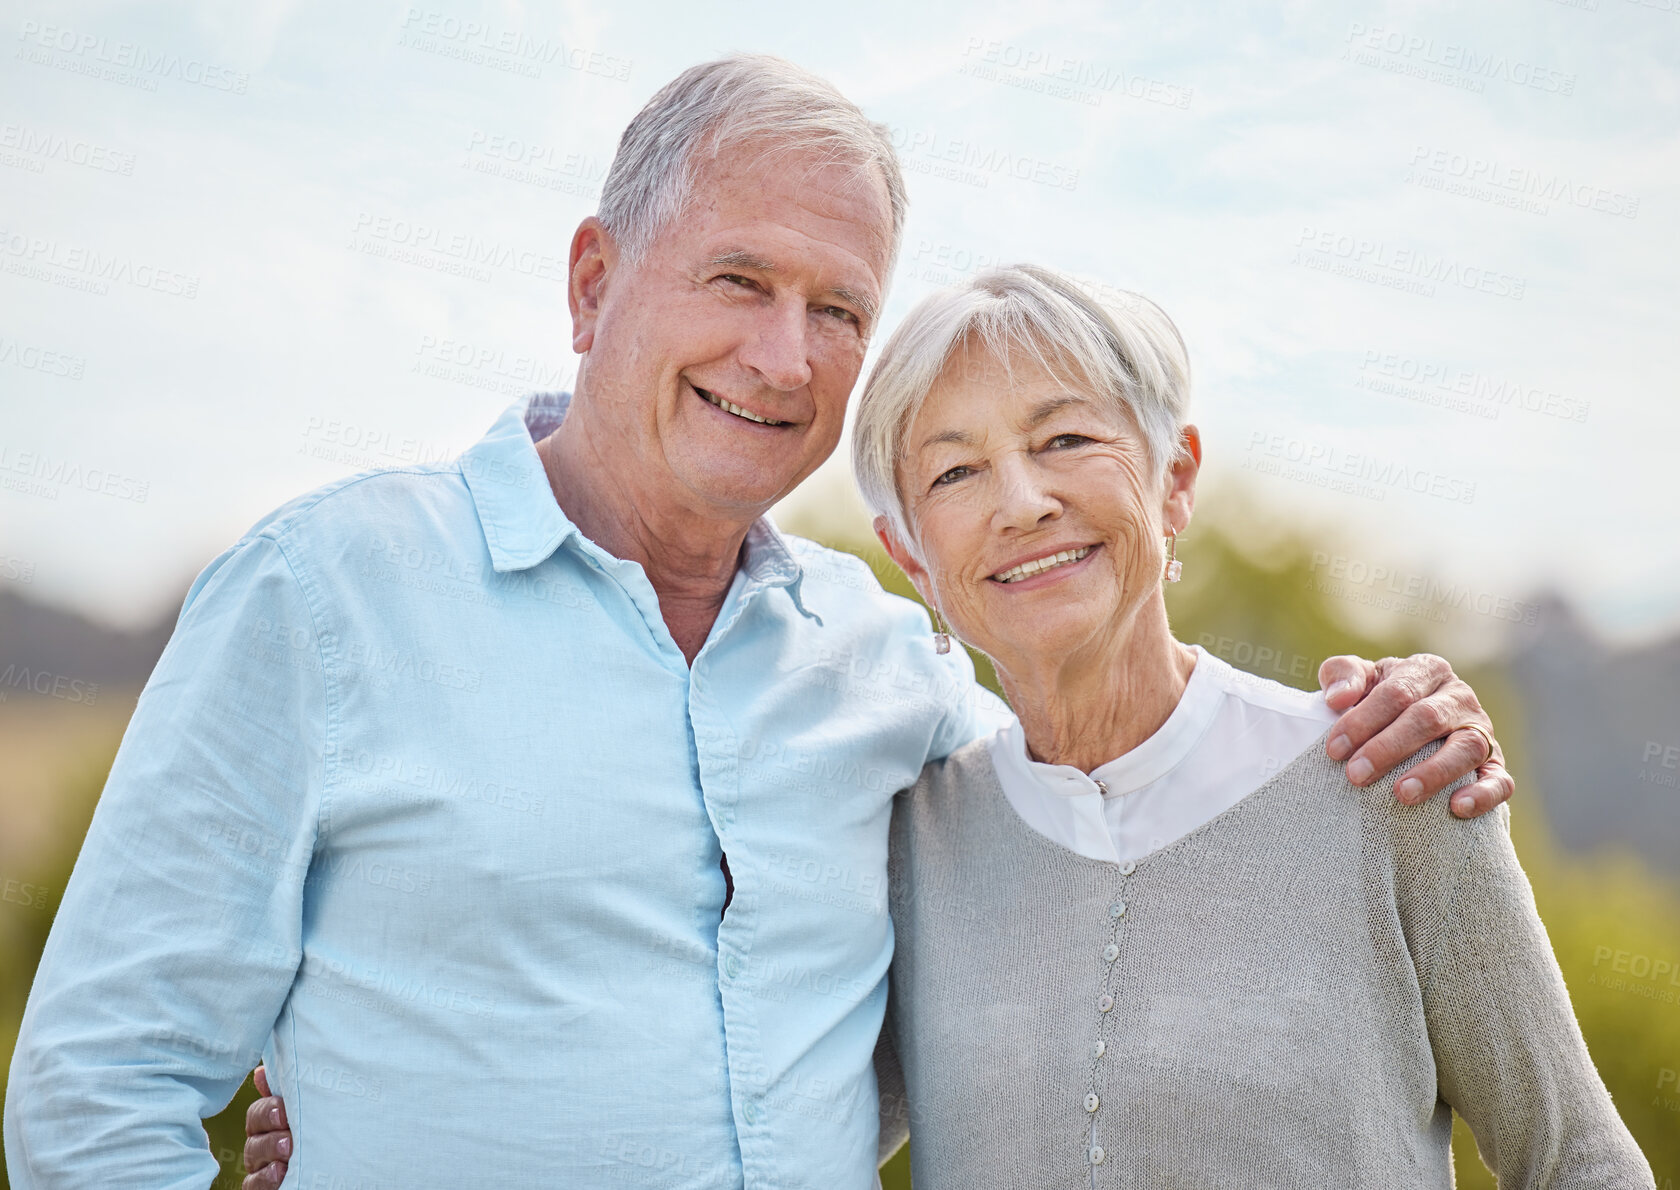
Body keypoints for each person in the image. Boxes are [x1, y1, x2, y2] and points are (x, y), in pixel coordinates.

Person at [5, 57, 1508, 1190]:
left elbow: (1119, 791)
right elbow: (99, 1086)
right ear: (595, 284)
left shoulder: (889, 671)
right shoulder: (323, 592)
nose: (784, 355)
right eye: (738, 279)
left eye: (839, 307)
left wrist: (1366, 719)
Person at [853, 265, 1650, 1185]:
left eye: (1066, 437)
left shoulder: (1387, 781)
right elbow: (766, 1134)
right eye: (956, 470)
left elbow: (1578, 1161)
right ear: (909, 550)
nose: (1022, 501)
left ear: (1174, 480)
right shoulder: (908, 844)